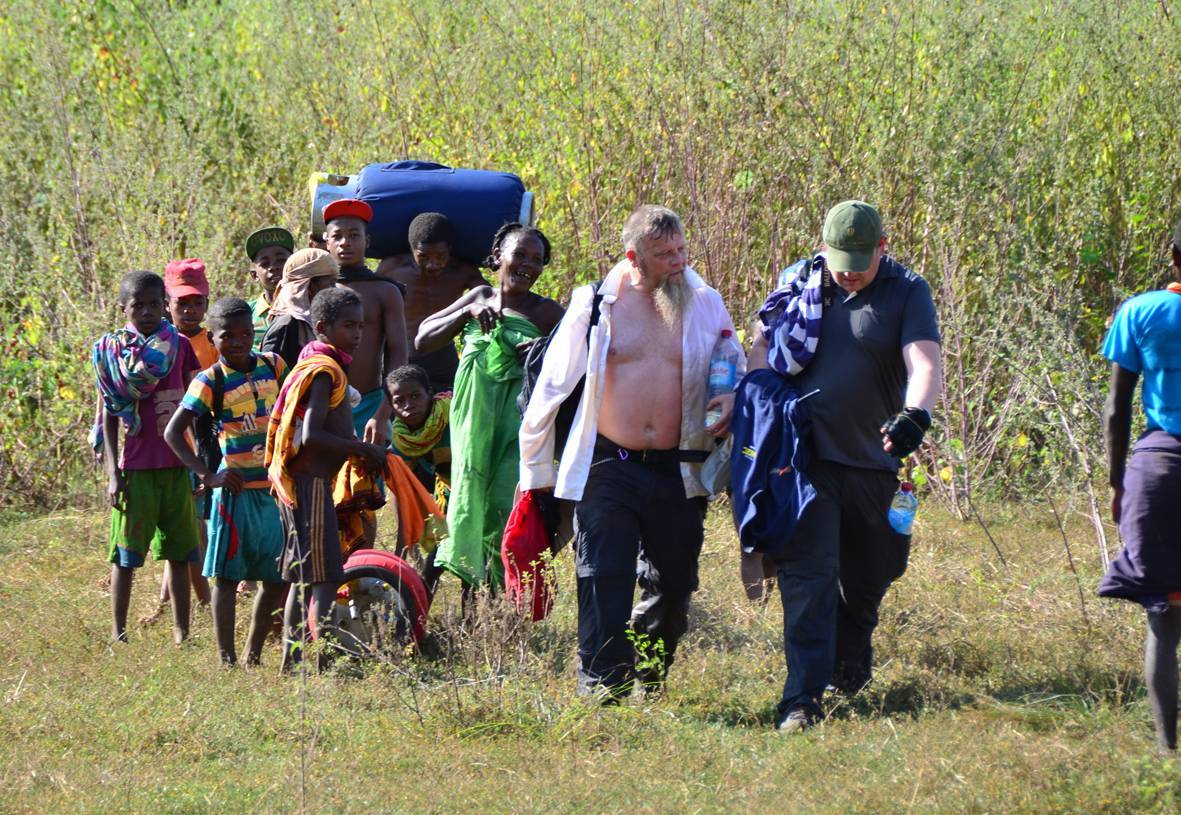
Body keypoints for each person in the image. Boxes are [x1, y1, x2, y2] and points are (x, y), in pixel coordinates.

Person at [519, 205, 743, 700]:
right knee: (602, 570)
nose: (678, 261)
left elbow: (732, 357)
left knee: (676, 582)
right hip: (608, 461)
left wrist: (730, 395)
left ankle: (650, 667)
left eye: (682, 249)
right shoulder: (598, 304)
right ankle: (602, 682)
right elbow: (552, 384)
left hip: (678, 466)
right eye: (664, 254)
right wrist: (536, 471)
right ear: (633, 257)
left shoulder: (704, 301)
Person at [750, 200, 941, 733]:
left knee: (869, 576)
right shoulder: (801, 285)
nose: (849, 271)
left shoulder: (907, 291)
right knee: (809, 579)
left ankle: (849, 658)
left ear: (883, 246)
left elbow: (924, 362)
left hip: (873, 462)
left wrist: (916, 414)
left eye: (861, 259)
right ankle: (801, 700)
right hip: (804, 461)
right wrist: (756, 397)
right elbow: (762, 345)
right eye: (840, 259)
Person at [418, 223, 564, 588]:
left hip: (517, 424)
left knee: (502, 508)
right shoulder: (479, 296)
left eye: (537, 259)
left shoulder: (547, 313)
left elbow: (581, 361)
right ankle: (419, 612)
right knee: (464, 500)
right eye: (520, 255)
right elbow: (422, 339)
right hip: (471, 421)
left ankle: (490, 616)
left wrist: (542, 352)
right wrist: (465, 315)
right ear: (498, 257)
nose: (527, 265)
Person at [264, 287, 386, 671]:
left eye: (361, 326)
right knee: (324, 576)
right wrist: (361, 450)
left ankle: (294, 661)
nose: (358, 334)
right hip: (310, 485)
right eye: (349, 326)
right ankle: (308, 660)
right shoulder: (323, 371)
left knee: (305, 576)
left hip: (304, 485)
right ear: (322, 327)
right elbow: (311, 435)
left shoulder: (318, 362)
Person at [164, 297, 289, 667]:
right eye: (227, 336)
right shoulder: (209, 380)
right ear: (212, 338)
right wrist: (207, 474)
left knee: (278, 577)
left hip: (273, 490)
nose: (237, 342)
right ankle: (226, 658)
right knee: (227, 579)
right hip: (233, 495)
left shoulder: (274, 365)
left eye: (245, 334)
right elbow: (174, 433)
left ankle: (252, 653)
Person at [1098, 219, 1181, 755]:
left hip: (1160, 473)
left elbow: (1115, 410)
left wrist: (1116, 484)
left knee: (1165, 621)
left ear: (1173, 258)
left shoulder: (1142, 312)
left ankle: (1167, 749)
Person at [92, 270, 201, 644]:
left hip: (176, 464)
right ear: (123, 308)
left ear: (165, 305)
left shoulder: (179, 345)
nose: (148, 312)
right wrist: (112, 472)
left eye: (156, 304)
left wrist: (199, 461)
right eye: (139, 305)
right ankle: (118, 633)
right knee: (125, 555)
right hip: (135, 466)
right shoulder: (111, 352)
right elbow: (108, 413)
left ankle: (182, 633)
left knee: (181, 551)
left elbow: (195, 403)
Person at [322, 198, 407, 444]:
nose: (345, 242)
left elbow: (398, 354)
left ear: (367, 241)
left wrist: (383, 413)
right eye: (337, 236)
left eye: (354, 235)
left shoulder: (384, 291)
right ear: (326, 242)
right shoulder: (316, 287)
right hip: (322, 404)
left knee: (370, 480)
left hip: (370, 404)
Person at [376, 213, 487, 391]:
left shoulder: (463, 272)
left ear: (450, 250)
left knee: (447, 412)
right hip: (401, 356)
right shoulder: (393, 268)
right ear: (412, 250)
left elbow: (492, 298)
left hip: (443, 358)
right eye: (423, 257)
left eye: (440, 256)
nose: (432, 264)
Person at [386, 363, 453, 594]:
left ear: (430, 393)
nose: (408, 406)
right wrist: (404, 549)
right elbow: (401, 490)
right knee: (436, 561)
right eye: (399, 401)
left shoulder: (451, 416)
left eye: (415, 396)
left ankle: (416, 617)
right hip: (440, 488)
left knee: (437, 565)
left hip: (471, 487)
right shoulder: (402, 439)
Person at [260, 248, 340, 368]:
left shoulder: (314, 320)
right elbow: (272, 375)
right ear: (309, 285)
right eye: (331, 283)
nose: (335, 290)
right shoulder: (286, 325)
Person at [245, 226, 295, 350]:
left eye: (281, 260)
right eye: (265, 264)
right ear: (254, 275)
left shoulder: (307, 307)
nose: (273, 267)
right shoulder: (246, 314)